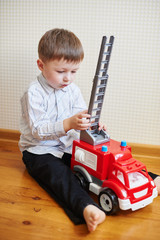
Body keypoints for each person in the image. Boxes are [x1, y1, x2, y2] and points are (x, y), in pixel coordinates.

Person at [19, 28, 159, 232]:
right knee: (59, 176)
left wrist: (92, 123)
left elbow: (80, 115)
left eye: (73, 72)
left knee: (103, 161)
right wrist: (68, 124)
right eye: (61, 72)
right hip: (39, 151)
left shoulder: (72, 89)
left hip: (66, 146)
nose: (68, 78)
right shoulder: (33, 93)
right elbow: (39, 131)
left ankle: (150, 179)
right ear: (41, 65)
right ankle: (86, 207)